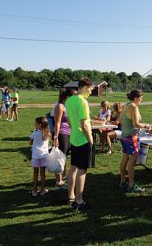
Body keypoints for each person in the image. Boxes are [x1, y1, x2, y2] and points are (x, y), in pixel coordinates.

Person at [66, 78, 95, 210]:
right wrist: (91, 140)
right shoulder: (83, 101)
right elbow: (84, 124)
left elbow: (68, 119)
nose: (90, 92)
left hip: (74, 138)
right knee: (82, 170)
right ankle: (79, 200)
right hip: (83, 140)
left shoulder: (69, 99)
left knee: (73, 167)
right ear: (84, 88)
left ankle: (71, 195)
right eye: (90, 89)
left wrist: (73, 130)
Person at [119, 89, 151, 193]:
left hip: (124, 136)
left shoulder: (126, 105)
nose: (141, 101)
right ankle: (131, 185)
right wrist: (147, 126)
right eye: (141, 99)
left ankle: (123, 181)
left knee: (125, 159)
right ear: (136, 98)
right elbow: (136, 124)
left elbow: (120, 120)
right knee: (132, 162)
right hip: (131, 138)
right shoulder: (133, 106)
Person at [53, 89, 77, 189]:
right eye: (74, 96)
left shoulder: (69, 106)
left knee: (65, 157)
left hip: (70, 134)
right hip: (62, 134)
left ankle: (63, 176)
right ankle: (58, 181)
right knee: (60, 157)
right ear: (67, 97)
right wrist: (56, 137)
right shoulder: (60, 106)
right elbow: (57, 123)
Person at [29, 117, 50, 197]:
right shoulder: (47, 133)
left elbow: (30, 143)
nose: (34, 125)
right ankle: (42, 190)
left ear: (39, 125)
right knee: (43, 173)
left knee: (35, 173)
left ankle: (34, 191)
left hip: (35, 156)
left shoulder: (34, 133)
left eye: (36, 124)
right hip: (44, 156)